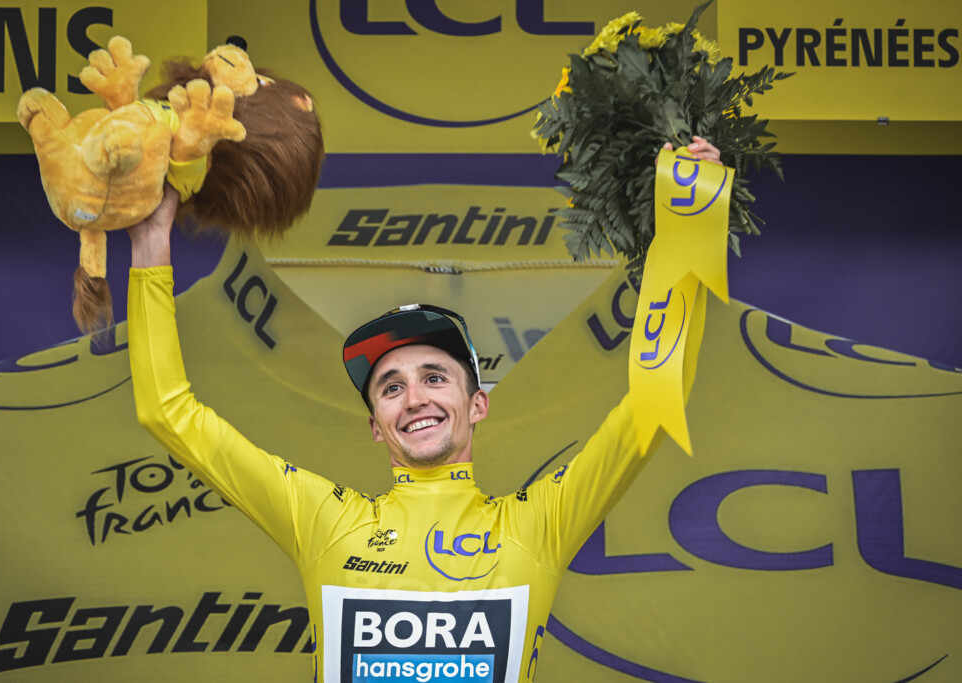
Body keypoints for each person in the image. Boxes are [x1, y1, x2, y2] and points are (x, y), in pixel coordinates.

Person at [128, 138, 720, 682]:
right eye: (391, 388)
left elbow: (653, 402)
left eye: (434, 377)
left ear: (478, 403)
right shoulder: (326, 523)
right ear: (375, 427)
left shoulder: (536, 527)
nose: (414, 398)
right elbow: (168, 413)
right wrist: (151, 244)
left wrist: (688, 223)